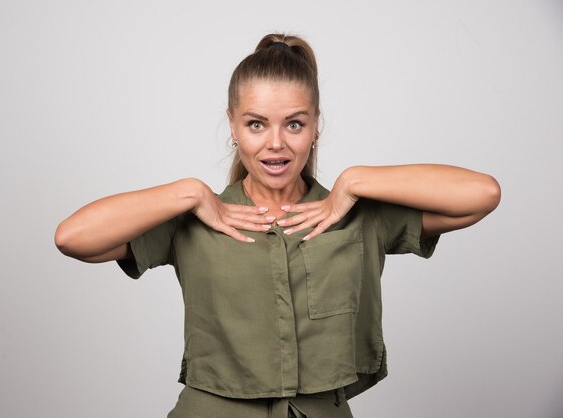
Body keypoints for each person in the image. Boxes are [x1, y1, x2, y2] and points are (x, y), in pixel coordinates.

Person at [55, 33, 501, 418]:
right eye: (255, 124)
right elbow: (73, 238)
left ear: (315, 128)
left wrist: (355, 180)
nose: (275, 143)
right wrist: (188, 192)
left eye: (294, 124)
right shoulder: (195, 218)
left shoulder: (357, 213)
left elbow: (482, 195)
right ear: (232, 125)